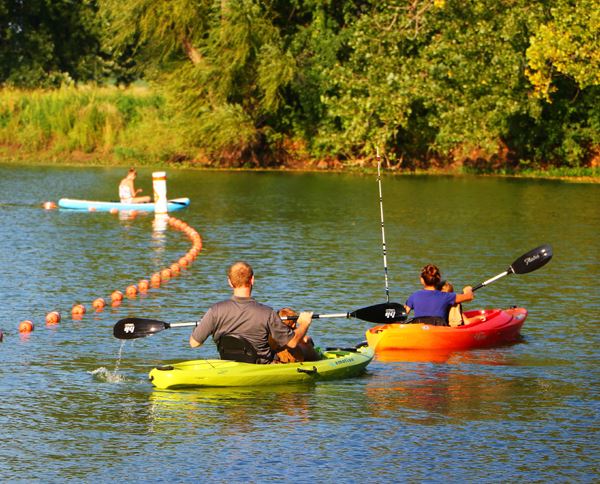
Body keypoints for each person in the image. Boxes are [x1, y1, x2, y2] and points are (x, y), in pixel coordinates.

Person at [189, 261, 314, 364]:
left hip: (229, 363)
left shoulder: (214, 311)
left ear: (229, 282)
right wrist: (304, 324)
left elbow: (194, 343)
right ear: (252, 280)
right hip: (261, 366)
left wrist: (201, 326)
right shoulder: (267, 313)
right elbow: (292, 343)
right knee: (305, 343)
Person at [404, 264, 474, 326]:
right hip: (439, 331)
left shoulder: (414, 296)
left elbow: (402, 314)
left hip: (419, 331)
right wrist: (468, 289)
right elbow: (469, 296)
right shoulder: (447, 296)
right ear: (439, 279)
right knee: (456, 304)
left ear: (422, 280)